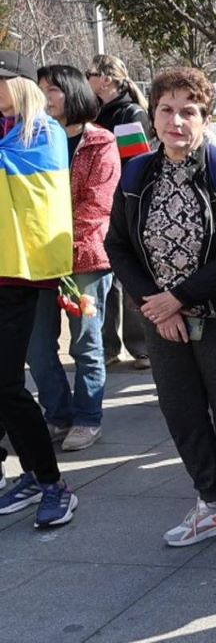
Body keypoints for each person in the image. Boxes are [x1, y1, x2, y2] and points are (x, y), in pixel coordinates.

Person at [104, 67, 216, 553]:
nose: (176, 120)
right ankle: (211, 502)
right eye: (166, 110)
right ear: (153, 113)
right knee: (181, 413)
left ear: (205, 116)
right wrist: (156, 307)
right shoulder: (137, 172)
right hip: (163, 320)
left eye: (188, 111)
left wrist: (181, 297)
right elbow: (117, 245)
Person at [0, 50, 79, 528]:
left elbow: (32, 199)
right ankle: (30, 474)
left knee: (6, 385)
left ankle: (54, 484)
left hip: (19, 275)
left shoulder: (42, 133)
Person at [26, 65, 120, 453]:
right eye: (40, 89)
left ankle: (87, 418)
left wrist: (61, 246)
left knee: (85, 342)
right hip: (35, 258)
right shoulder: (31, 139)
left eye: (52, 89)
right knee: (37, 345)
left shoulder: (100, 143)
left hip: (85, 257)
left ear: (73, 93)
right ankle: (57, 414)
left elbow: (97, 207)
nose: (44, 96)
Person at [87, 53, 152, 370]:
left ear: (106, 78)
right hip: (102, 205)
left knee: (129, 275)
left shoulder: (128, 114)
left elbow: (137, 164)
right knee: (107, 280)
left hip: (125, 203)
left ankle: (141, 348)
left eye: (90, 73)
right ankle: (108, 347)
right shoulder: (96, 112)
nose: (86, 80)